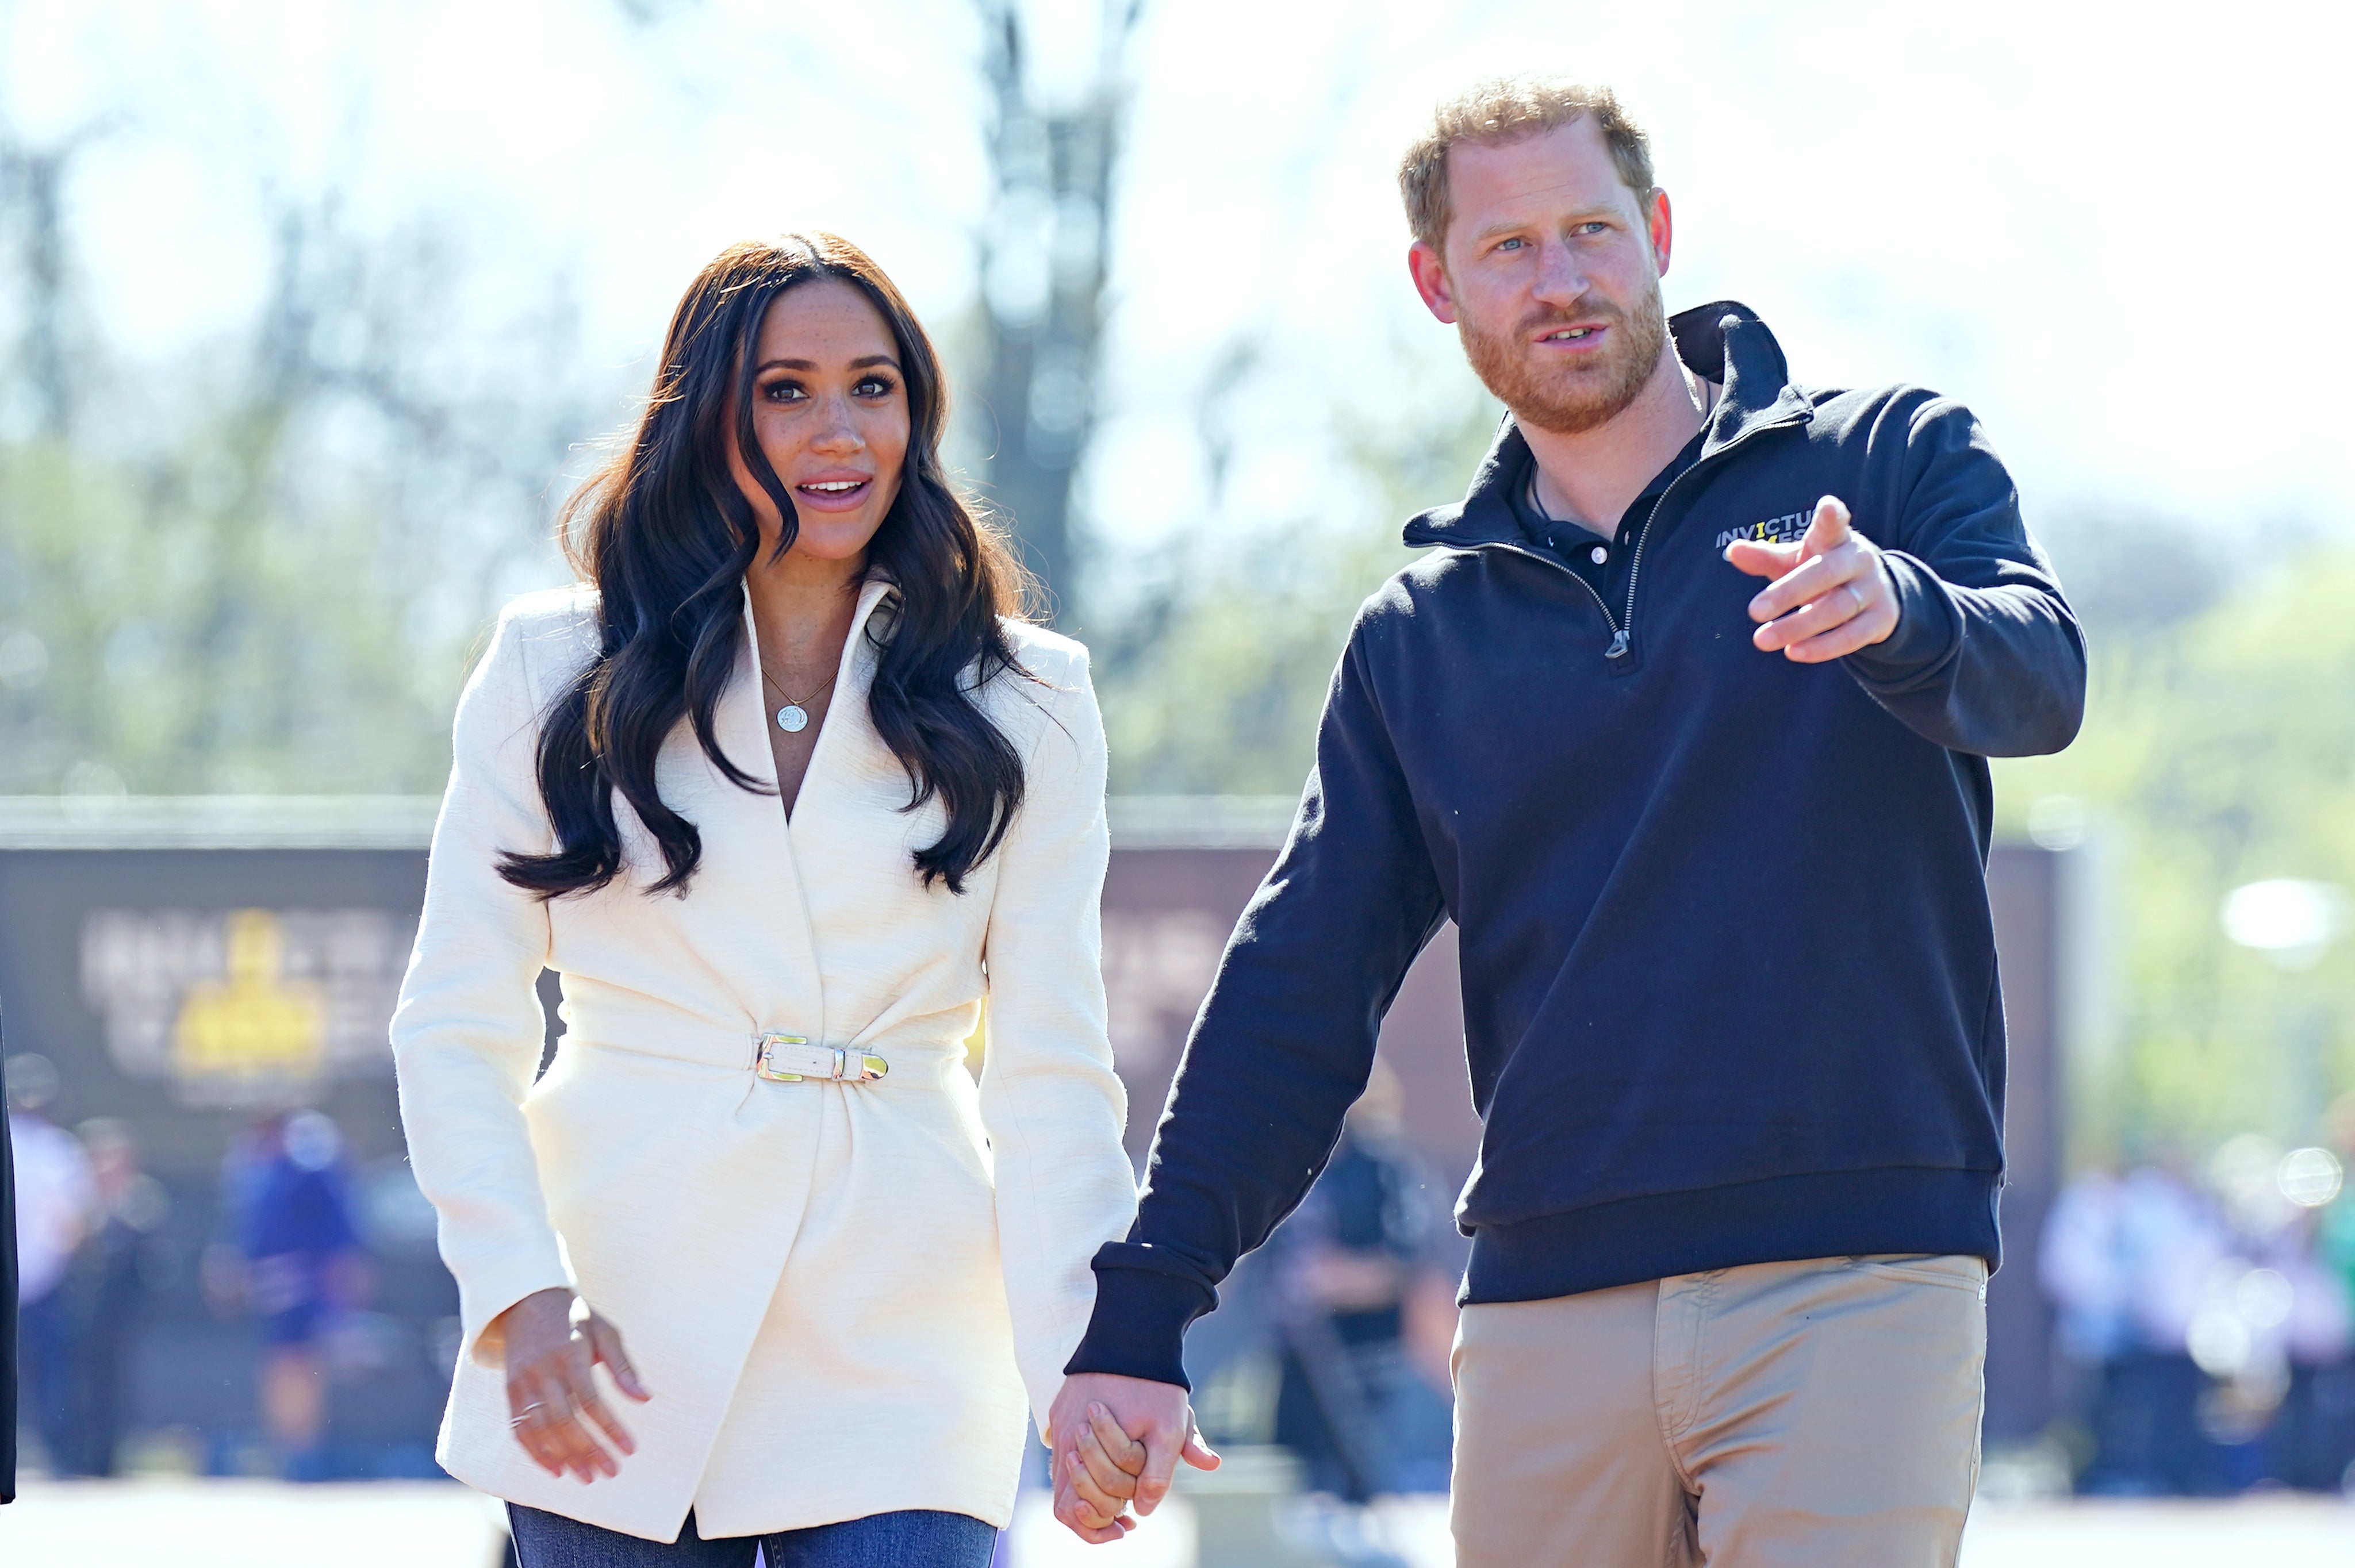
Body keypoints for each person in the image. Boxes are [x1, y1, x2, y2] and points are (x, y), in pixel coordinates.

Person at [1049, 78, 2084, 1566]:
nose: (1565, 278)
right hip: (1543, 1307)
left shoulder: (1887, 462)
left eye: (1594, 230)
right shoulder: (1423, 634)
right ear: (1438, 283)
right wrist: (1145, 1309)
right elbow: (1296, 994)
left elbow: (2040, 674)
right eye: (1513, 246)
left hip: (1854, 1275)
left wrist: (1902, 612)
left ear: (1658, 235)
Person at [392, 233, 1137, 1565]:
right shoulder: (552, 668)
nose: (836, 429)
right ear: (705, 414)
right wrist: (517, 1292)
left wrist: (1090, 1352)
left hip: (903, 1328)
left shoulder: (1032, 701)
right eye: (784, 389)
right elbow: (454, 1023)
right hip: (612, 1327)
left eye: (873, 384)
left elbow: (1051, 1072)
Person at [7, 1052, 97, 1478]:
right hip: (46, 1280)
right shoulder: (59, 1149)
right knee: (51, 1378)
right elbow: (74, 1225)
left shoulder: (49, 1148)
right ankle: (60, 1460)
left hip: (22, 1280)